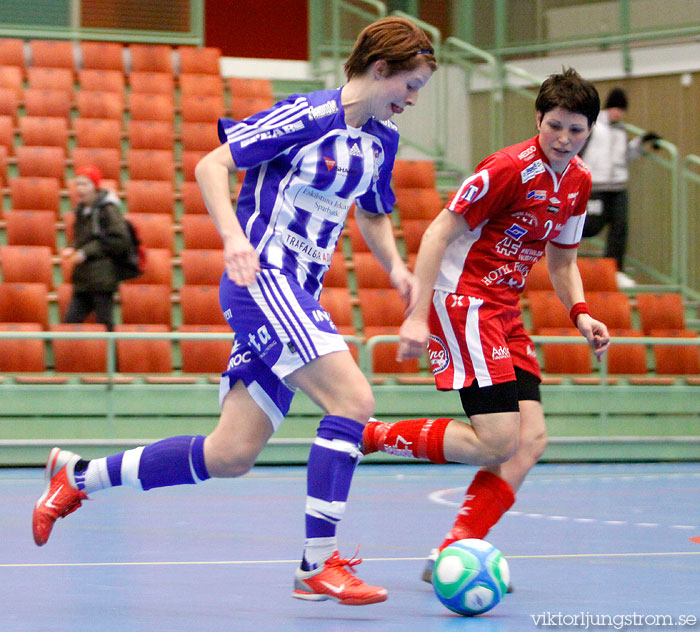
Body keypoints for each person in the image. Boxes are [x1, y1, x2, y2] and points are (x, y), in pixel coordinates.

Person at [32, 16, 437, 607]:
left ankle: (77, 477)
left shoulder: (382, 140)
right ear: (381, 71)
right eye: (412, 85)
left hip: (298, 292)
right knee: (354, 400)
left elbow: (372, 213)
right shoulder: (305, 116)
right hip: (262, 281)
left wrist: (396, 267)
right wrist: (233, 237)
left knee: (230, 454)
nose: (413, 99)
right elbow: (211, 166)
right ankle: (315, 563)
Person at [361, 68, 611, 583]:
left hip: (504, 311)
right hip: (464, 302)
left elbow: (562, 264)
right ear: (539, 119)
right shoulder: (506, 169)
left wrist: (581, 313)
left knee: (531, 440)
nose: (564, 139)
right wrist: (415, 314)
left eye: (577, 130)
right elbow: (436, 234)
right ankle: (369, 434)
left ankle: (455, 549)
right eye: (555, 126)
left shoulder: (580, 181)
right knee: (498, 440)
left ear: (590, 131)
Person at [579, 87, 661, 288]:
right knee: (591, 226)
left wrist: (641, 143)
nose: (618, 113)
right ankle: (553, 242)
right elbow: (579, 151)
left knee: (620, 227)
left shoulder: (621, 130)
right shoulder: (594, 126)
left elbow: (624, 156)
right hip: (596, 185)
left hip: (618, 187)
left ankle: (614, 269)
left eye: (621, 110)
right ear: (608, 108)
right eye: (615, 109)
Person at [61, 165, 132, 331]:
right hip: (84, 279)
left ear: (95, 186)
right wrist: (72, 248)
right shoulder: (82, 210)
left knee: (104, 328)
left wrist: (85, 252)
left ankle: (112, 358)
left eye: (84, 184)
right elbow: (83, 239)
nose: (80, 189)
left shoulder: (108, 209)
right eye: (77, 184)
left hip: (102, 280)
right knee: (69, 327)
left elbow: (119, 240)